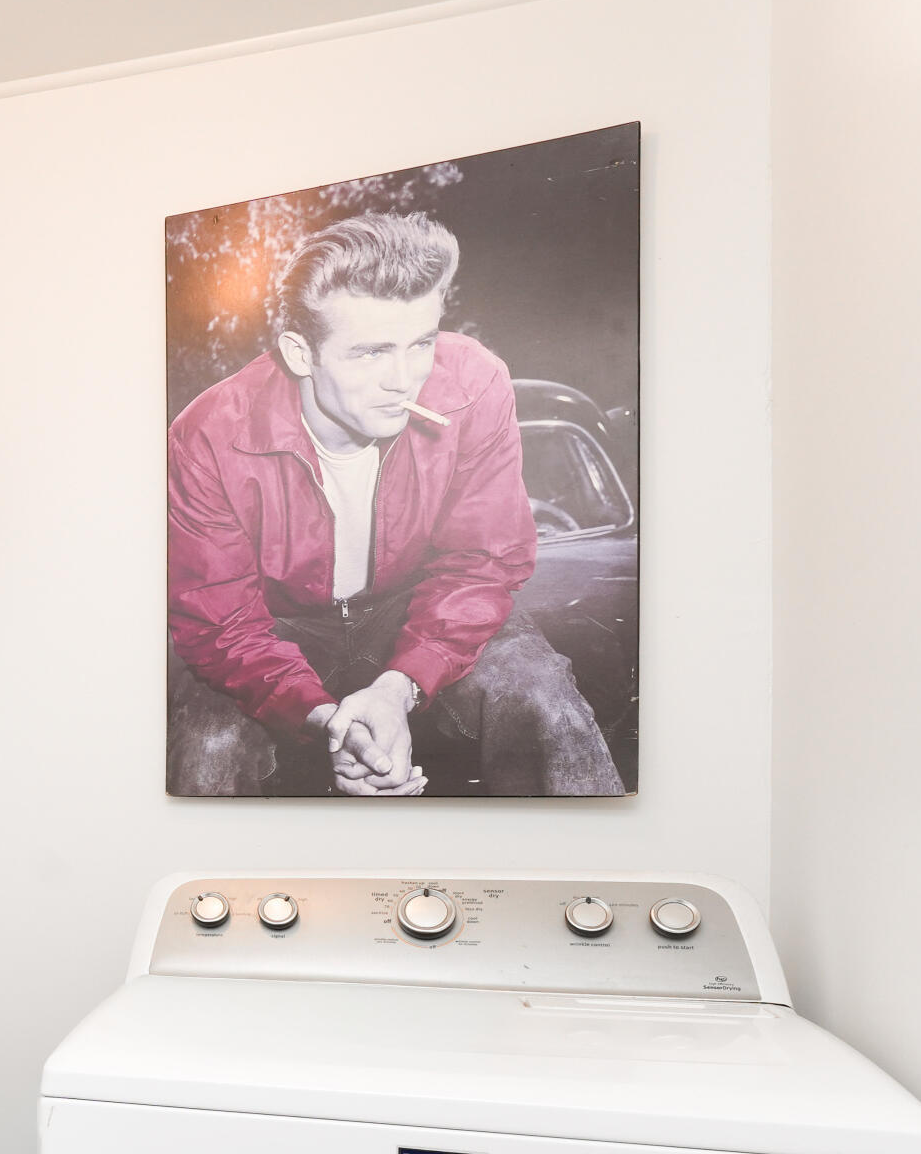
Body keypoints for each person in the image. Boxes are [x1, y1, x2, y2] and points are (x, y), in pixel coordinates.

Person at [165, 211, 623, 796]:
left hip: (419, 605)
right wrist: (332, 725)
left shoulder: (473, 383)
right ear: (301, 353)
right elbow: (223, 625)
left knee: (541, 699)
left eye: (422, 342)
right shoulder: (209, 433)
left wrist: (397, 686)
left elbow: (482, 564)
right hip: (276, 627)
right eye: (372, 353)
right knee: (208, 748)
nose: (405, 379)